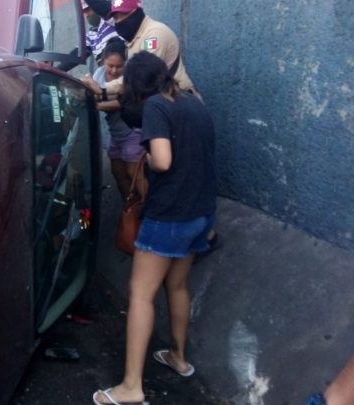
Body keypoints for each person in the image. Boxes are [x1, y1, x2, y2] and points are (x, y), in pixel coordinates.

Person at [92, 51, 217, 405]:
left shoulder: (156, 108)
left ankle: (131, 387)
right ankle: (178, 358)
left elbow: (163, 160)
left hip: (169, 216)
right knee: (177, 285)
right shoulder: (193, 103)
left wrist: (147, 158)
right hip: (201, 214)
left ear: (136, 86)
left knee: (142, 293)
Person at [86, 0, 220, 252]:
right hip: (165, 113)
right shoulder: (132, 42)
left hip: (180, 111)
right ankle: (197, 239)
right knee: (178, 177)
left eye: (123, 17)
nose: (118, 23)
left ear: (137, 12)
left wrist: (103, 92)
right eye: (115, 17)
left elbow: (139, 81)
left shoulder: (153, 36)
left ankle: (202, 237)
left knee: (181, 175)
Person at [85, 39, 147, 201]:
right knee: (119, 175)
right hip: (116, 134)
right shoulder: (98, 74)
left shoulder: (129, 77)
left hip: (133, 132)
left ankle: (151, 214)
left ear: (125, 63)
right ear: (103, 60)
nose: (113, 70)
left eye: (119, 66)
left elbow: (123, 103)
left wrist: (97, 105)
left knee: (135, 175)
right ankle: (131, 209)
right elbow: (90, 93)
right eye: (110, 65)